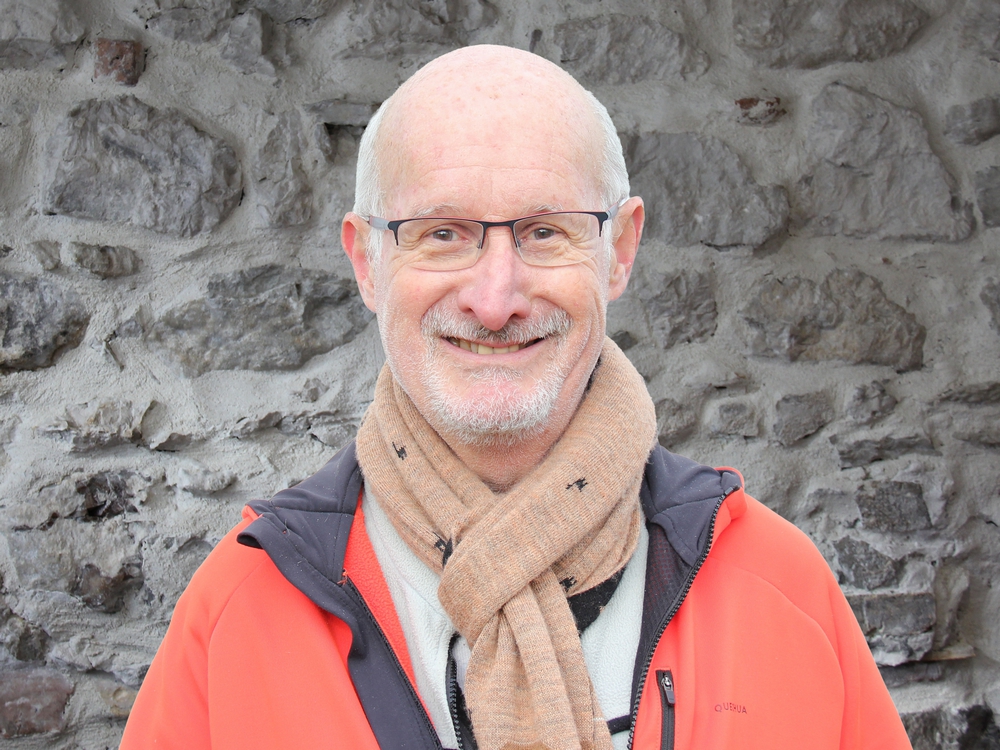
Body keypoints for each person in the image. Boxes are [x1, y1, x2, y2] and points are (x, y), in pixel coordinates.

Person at [120, 45, 912, 750]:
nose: (495, 300)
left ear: (619, 250)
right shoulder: (244, 607)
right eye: (441, 233)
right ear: (366, 263)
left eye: (543, 231)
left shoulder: (780, 590)